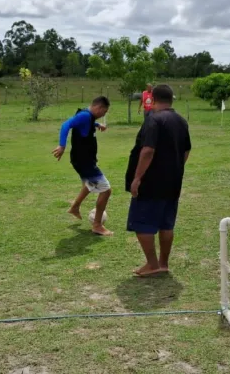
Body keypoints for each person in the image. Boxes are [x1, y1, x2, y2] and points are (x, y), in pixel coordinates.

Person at [125, 85, 191, 277]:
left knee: (142, 224)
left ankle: (152, 264)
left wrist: (137, 178)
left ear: (152, 99)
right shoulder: (181, 121)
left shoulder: (154, 120)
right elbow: (186, 150)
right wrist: (175, 168)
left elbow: (147, 150)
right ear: (172, 99)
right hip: (173, 181)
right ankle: (163, 263)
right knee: (166, 224)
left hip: (151, 182)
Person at [52, 97, 114, 237]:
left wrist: (98, 125)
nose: (103, 115)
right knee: (106, 190)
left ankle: (75, 207)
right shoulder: (85, 115)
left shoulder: (89, 116)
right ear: (98, 108)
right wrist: (62, 145)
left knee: (89, 183)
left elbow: (86, 124)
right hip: (84, 161)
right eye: (103, 112)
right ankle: (97, 225)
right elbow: (65, 125)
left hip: (84, 160)